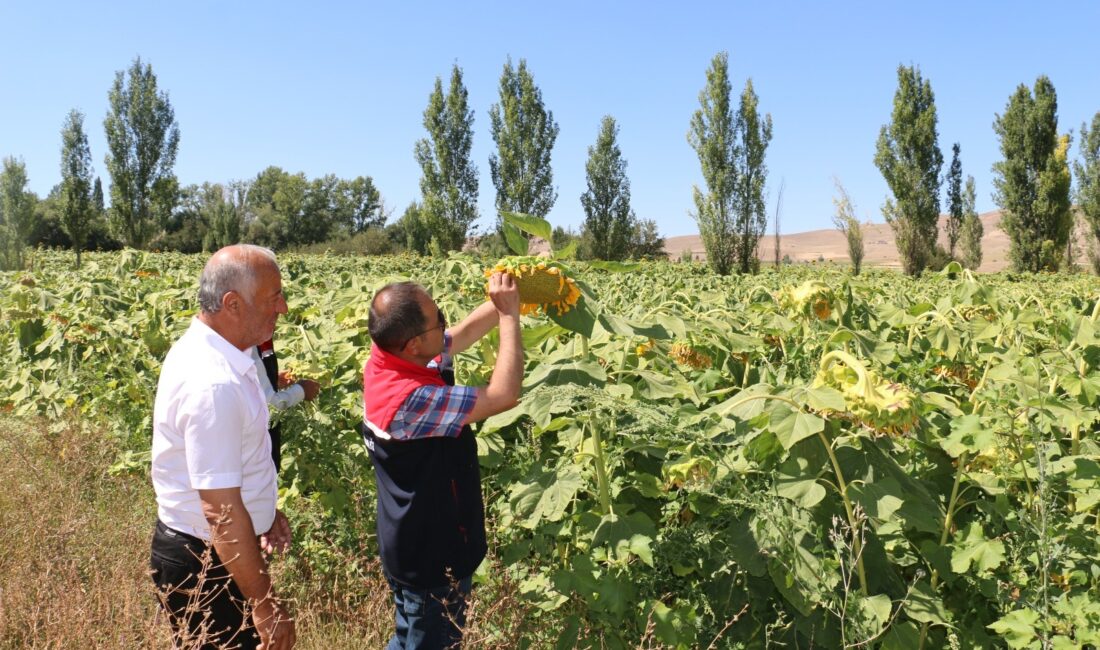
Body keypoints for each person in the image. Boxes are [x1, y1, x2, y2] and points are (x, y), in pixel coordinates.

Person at [362, 272, 524, 649]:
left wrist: (509, 296)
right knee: (428, 639)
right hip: (431, 557)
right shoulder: (410, 400)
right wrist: (510, 318)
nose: (447, 325)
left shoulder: (389, 357)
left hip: (409, 541)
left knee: (408, 636)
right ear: (415, 343)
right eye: (440, 320)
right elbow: (503, 395)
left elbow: (462, 334)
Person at [150, 244, 296, 650]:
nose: (282, 307)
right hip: (205, 562)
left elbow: (229, 469)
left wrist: (262, 506)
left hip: (217, 549)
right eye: (273, 297)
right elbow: (221, 510)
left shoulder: (225, 352)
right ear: (232, 304)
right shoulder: (213, 383)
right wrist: (265, 604)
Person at [252, 338, 320, 472]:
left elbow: (252, 382)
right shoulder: (246, 346)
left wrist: (272, 379)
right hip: (256, 451)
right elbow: (269, 405)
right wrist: (302, 391)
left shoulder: (251, 339)